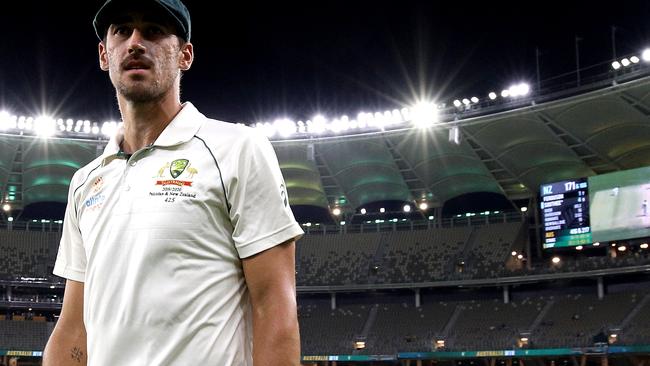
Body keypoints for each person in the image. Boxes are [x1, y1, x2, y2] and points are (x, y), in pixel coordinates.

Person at [43, 0, 304, 365]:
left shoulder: (238, 149)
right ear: (105, 54)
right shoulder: (86, 182)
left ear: (185, 55)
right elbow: (73, 329)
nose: (135, 42)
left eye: (153, 30)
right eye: (122, 31)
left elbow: (274, 306)